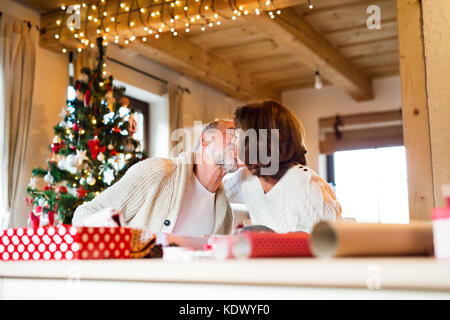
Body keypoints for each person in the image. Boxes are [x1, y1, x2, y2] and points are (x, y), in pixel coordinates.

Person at [72, 120, 239, 237]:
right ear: (205, 139)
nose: (239, 141)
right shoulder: (157, 172)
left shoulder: (225, 214)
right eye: (233, 133)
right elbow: (85, 215)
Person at [224, 100, 341, 234]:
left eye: (238, 136)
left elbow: (336, 240)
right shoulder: (245, 177)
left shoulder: (305, 183)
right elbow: (214, 193)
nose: (233, 142)